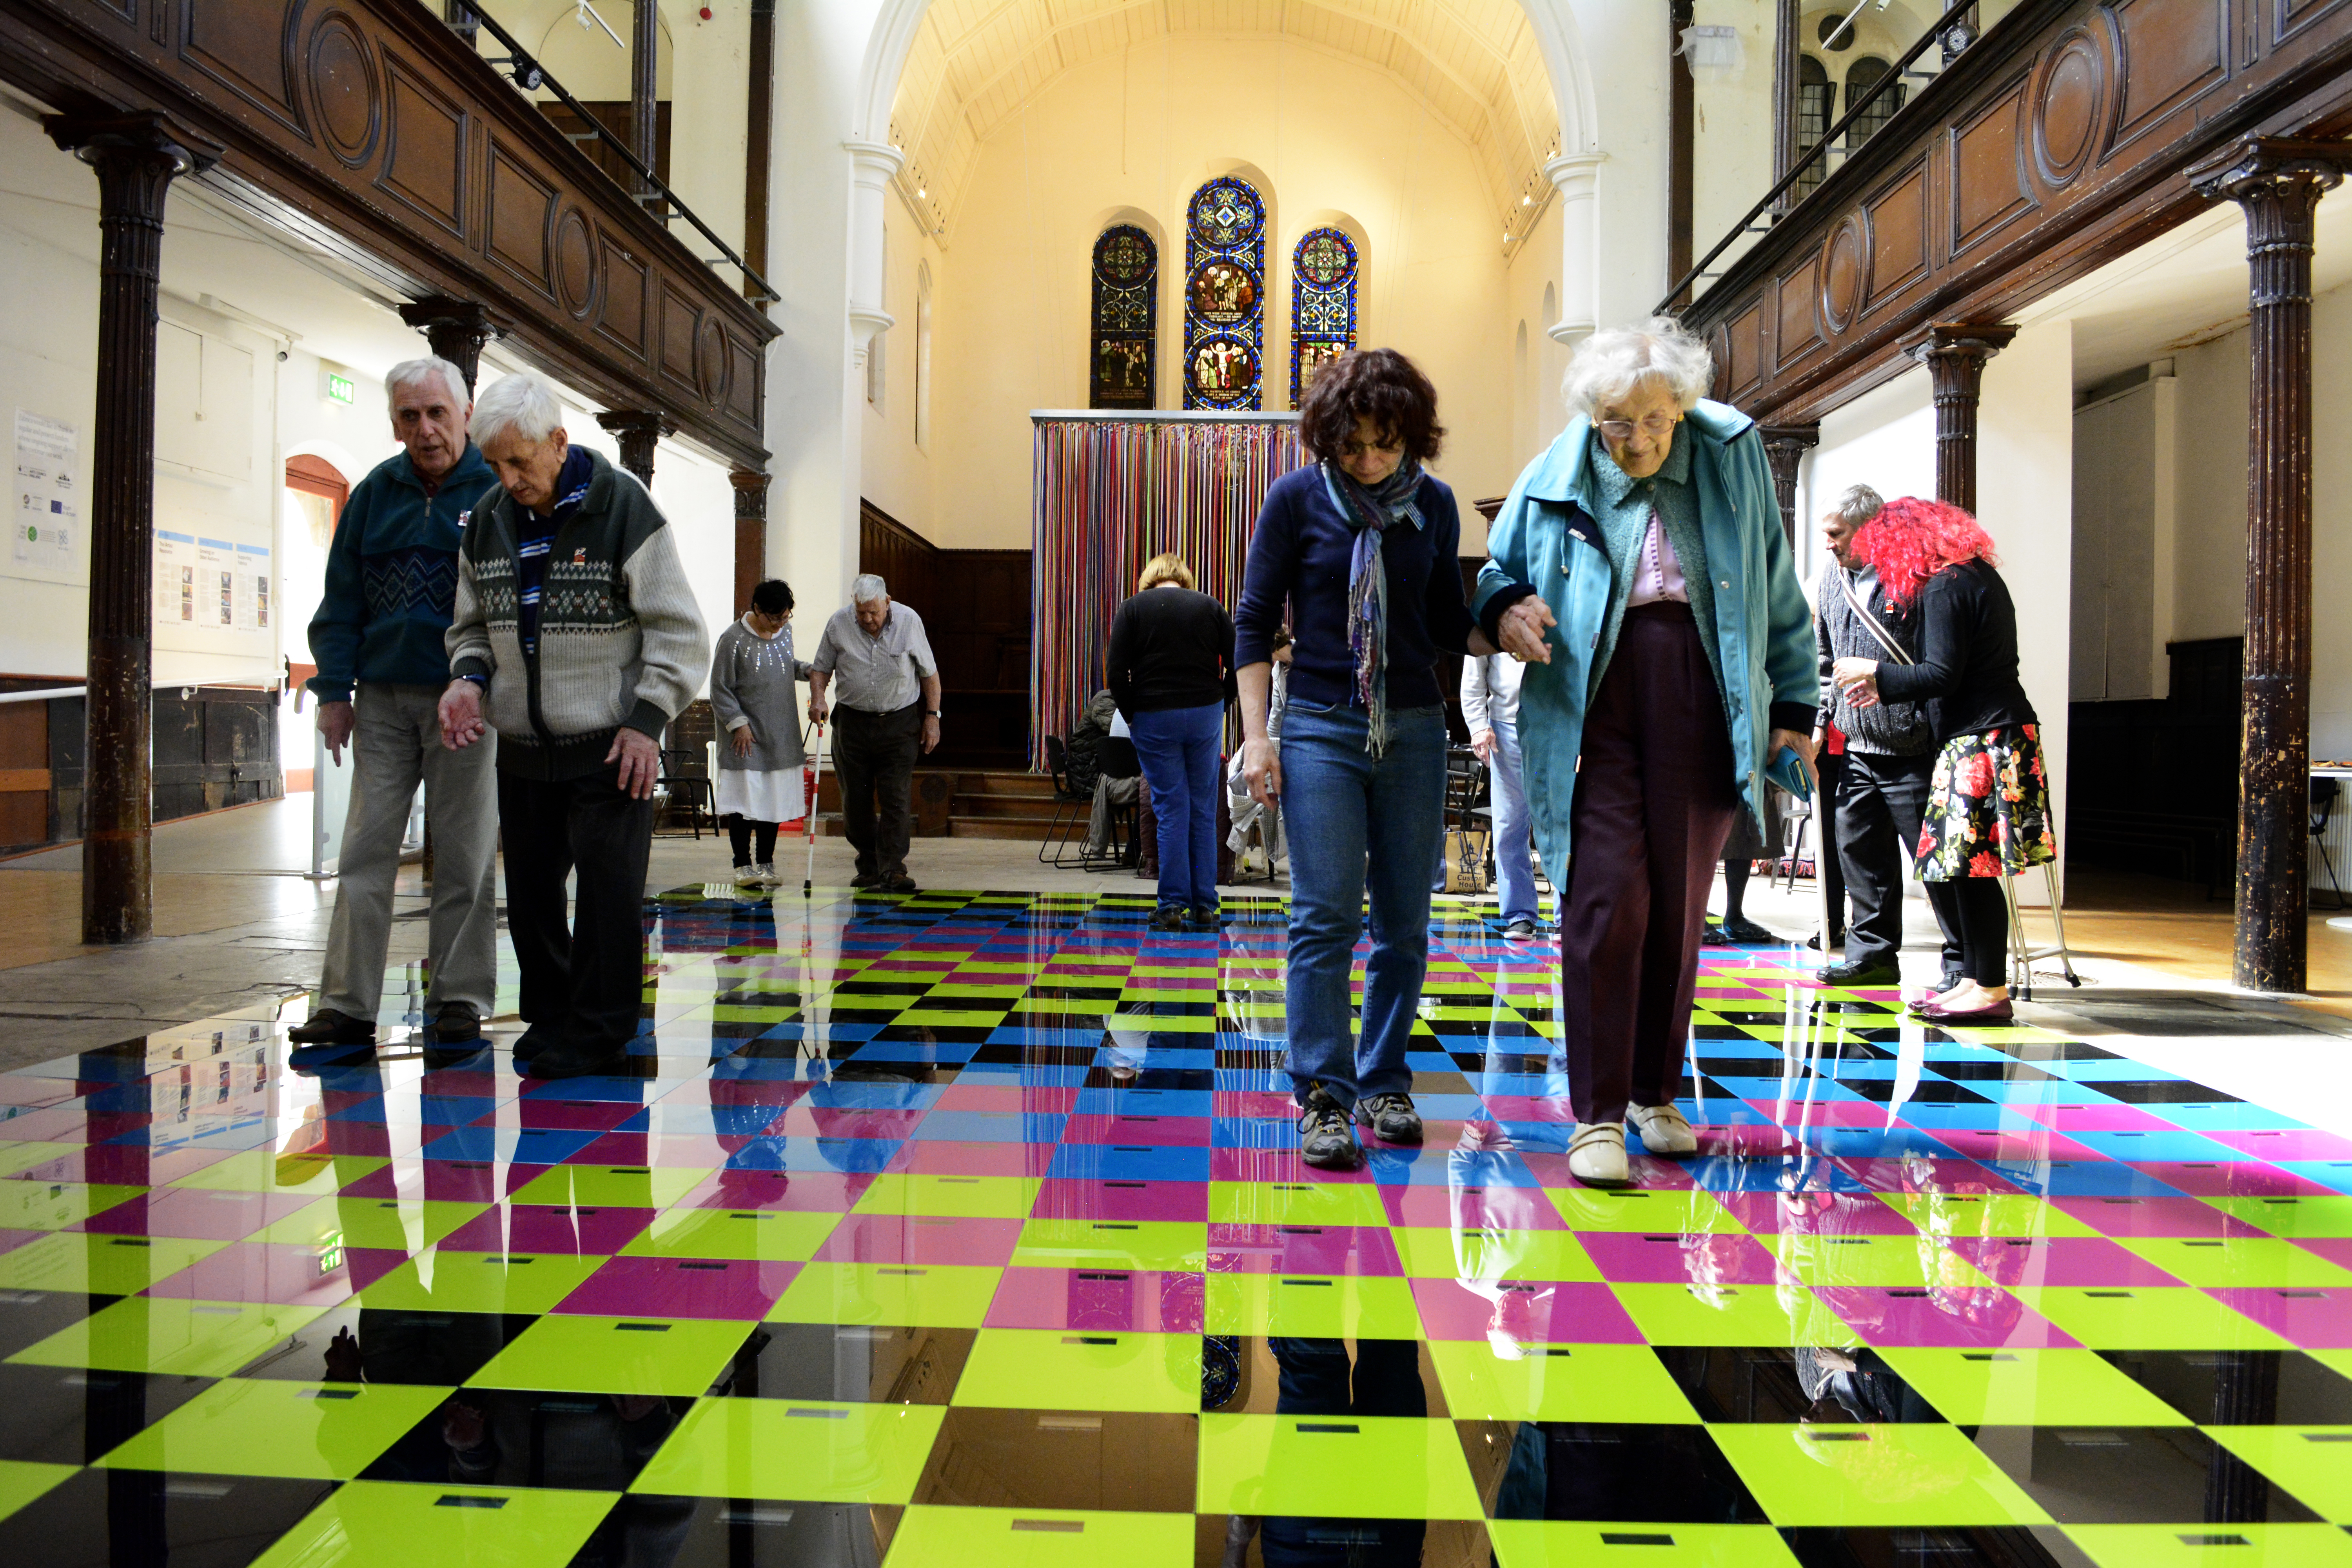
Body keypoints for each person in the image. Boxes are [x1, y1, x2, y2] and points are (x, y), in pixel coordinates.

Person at [1472, 316, 1817, 1187]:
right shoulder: (1555, 474)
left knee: (1678, 900)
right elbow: (1491, 572)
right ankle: (1595, 1111)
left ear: (1682, 409)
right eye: (1619, 423)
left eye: (1656, 420)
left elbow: (1775, 580)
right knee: (1603, 899)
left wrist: (1796, 707)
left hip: (1709, 691)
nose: (1639, 439)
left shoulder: (1727, 452)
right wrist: (1508, 605)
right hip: (1597, 698)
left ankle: (1654, 1093)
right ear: (1594, 416)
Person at [1236, 347, 1511, 1171]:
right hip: (1320, 723)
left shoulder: (1432, 504)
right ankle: (1323, 1090)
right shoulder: (1295, 500)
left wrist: (1509, 631)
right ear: (1328, 437)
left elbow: (1442, 620)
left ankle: (1385, 1077)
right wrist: (1257, 735)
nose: (1367, 460)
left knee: (1404, 919)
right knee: (1325, 912)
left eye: (1385, 444)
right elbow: (1251, 622)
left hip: (1416, 725)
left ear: (1412, 437)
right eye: (1351, 445)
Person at [439, 372, 708, 1080]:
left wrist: (647, 722)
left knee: (607, 900)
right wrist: (469, 682)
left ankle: (600, 1031)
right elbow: (469, 626)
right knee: (530, 903)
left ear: (559, 442)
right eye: (494, 463)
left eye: (519, 461)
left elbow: (680, 633)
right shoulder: (490, 521)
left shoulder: (624, 508)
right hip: (525, 750)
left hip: (610, 745)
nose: (507, 478)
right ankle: (554, 1017)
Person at [292, 357, 500, 1053]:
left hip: (466, 700)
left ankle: (460, 1000)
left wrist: (483, 683)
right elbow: (341, 598)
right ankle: (348, 1006)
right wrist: (332, 692)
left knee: (465, 853)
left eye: (437, 413)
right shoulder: (376, 493)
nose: (426, 429)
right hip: (380, 698)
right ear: (394, 423)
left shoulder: (494, 491)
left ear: (465, 415)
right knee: (364, 850)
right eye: (410, 417)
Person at [1831, 497, 2054, 1023]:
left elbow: (1940, 675)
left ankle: (1989, 990)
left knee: (1971, 871)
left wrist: (1875, 674)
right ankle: (1977, 981)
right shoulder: (1972, 577)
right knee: (1963, 869)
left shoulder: (1948, 585)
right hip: (1989, 732)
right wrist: (1883, 685)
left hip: (1983, 737)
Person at [1813, 485, 1962, 989]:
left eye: (1837, 534)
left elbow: (1934, 665)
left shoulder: (1914, 579)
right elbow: (1825, 660)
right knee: (1861, 855)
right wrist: (1819, 723)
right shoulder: (1833, 582)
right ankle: (1873, 953)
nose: (1828, 544)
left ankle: (1962, 961)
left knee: (1938, 862)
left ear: (1870, 528)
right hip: (1857, 747)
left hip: (1913, 747)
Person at [1107, 552, 1236, 931]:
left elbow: (1116, 672)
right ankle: (1205, 906)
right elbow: (1237, 660)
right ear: (1184, 579)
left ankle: (1171, 906)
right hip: (1204, 713)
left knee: (1170, 808)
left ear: (1149, 579)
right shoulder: (1210, 606)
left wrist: (1133, 713)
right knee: (1202, 806)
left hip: (1153, 713)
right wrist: (1221, 703)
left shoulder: (1132, 609)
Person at [806, 575, 941, 894]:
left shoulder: (909, 622)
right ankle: (868, 864)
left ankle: (893, 868)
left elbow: (930, 674)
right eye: (861, 612)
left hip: (899, 722)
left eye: (874, 613)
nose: (867, 619)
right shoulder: (839, 623)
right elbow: (821, 668)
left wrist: (933, 718)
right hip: (852, 724)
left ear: (887, 602)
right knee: (855, 798)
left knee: (896, 796)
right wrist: (819, 697)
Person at [709, 578, 812, 888]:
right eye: (774, 617)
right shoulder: (732, 639)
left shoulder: (785, 633)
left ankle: (766, 863)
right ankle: (742, 865)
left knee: (774, 800)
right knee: (744, 801)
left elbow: (782, 664)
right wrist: (738, 723)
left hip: (780, 731)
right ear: (757, 609)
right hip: (746, 735)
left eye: (785, 617)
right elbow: (720, 688)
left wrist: (806, 670)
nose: (780, 623)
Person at [1461, 650, 1541, 939]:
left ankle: (1568, 916)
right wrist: (1478, 726)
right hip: (1506, 725)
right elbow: (1473, 672)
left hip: (1557, 721)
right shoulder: (1491, 607)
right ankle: (1520, 915)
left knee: (1562, 825)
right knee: (1509, 825)